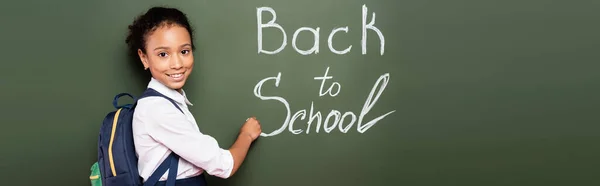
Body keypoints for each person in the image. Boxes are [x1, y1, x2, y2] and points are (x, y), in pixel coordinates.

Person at [125, 6, 262, 185]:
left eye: (184, 51)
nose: (177, 63)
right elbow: (224, 166)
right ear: (144, 58)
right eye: (163, 54)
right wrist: (247, 135)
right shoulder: (158, 109)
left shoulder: (168, 102)